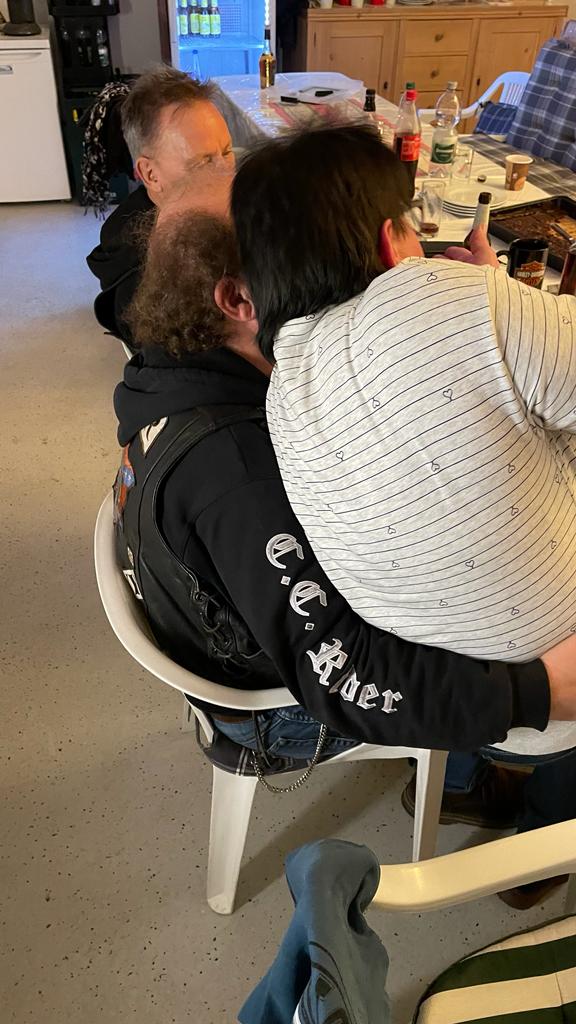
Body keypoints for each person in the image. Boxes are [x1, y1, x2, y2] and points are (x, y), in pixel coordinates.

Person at [114, 211, 576, 906]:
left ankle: (462, 781)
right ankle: (537, 851)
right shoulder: (239, 468)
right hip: (273, 714)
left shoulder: (174, 378)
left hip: (242, 647)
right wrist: (537, 691)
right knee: (504, 596)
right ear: (239, 300)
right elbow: (347, 675)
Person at [230, 123, 576, 760]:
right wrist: (495, 294)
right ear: (391, 244)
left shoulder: (281, 387)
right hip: (558, 688)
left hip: (468, 707)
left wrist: (487, 305)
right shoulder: (430, 298)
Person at [86, 66, 235, 346]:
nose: (226, 172)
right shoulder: (151, 280)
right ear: (150, 174)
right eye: (203, 162)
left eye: (227, 152)